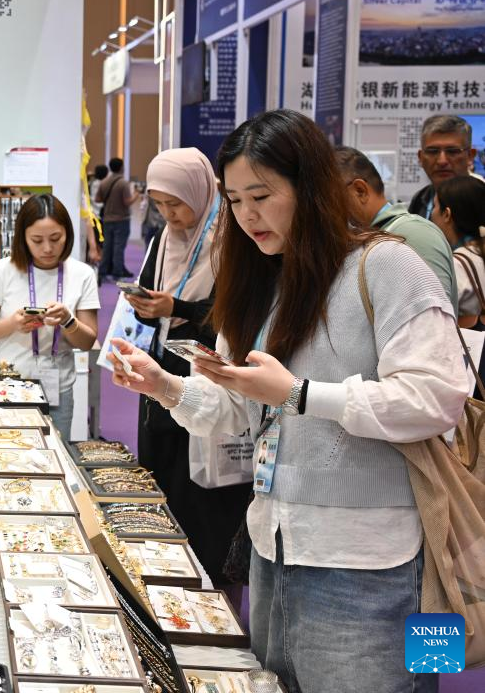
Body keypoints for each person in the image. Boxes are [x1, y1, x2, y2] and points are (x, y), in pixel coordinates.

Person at [110, 109, 465, 693]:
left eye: (261, 196)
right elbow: (238, 411)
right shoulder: (259, 281)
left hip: (366, 561)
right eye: (234, 201)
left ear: (311, 187)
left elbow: (435, 399)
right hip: (271, 546)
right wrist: (165, 386)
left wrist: (301, 395)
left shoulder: (387, 266)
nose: (247, 216)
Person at [125, 147, 251, 585]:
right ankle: (165, 583)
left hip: (210, 376)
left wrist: (176, 307)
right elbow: (150, 294)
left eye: (176, 203)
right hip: (162, 373)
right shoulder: (163, 241)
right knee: (161, 482)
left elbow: (233, 315)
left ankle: (212, 593)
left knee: (204, 495)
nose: (169, 214)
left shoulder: (232, 241)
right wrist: (144, 306)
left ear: (200, 191)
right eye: (159, 204)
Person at [0, 194, 99, 439]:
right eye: (37, 240)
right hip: (7, 385)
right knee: (6, 451)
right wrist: (13, 323)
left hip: (58, 389)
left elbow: (87, 341)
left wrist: (68, 321)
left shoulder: (82, 274)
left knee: (55, 452)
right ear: (23, 238)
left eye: (56, 238)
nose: (48, 248)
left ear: (68, 233)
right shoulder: (3, 270)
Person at [336, 146, 458, 310]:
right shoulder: (377, 234)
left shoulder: (413, 233)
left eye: (330, 199)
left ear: (360, 191)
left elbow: (434, 316)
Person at [429, 176, 485, 327]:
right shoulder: (478, 253)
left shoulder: (458, 264)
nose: (432, 214)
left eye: (435, 206)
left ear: (447, 214)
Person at [408, 114, 477, 219]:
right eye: (432, 151)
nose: (442, 161)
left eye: (452, 151)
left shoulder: (481, 199)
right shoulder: (419, 200)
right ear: (420, 158)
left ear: (470, 156)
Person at [96, 158, 138, 284]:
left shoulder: (104, 182)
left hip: (107, 219)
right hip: (122, 220)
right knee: (119, 247)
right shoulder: (123, 183)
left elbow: (98, 199)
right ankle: (117, 273)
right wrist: (136, 195)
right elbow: (127, 202)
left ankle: (102, 272)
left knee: (107, 247)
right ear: (121, 168)